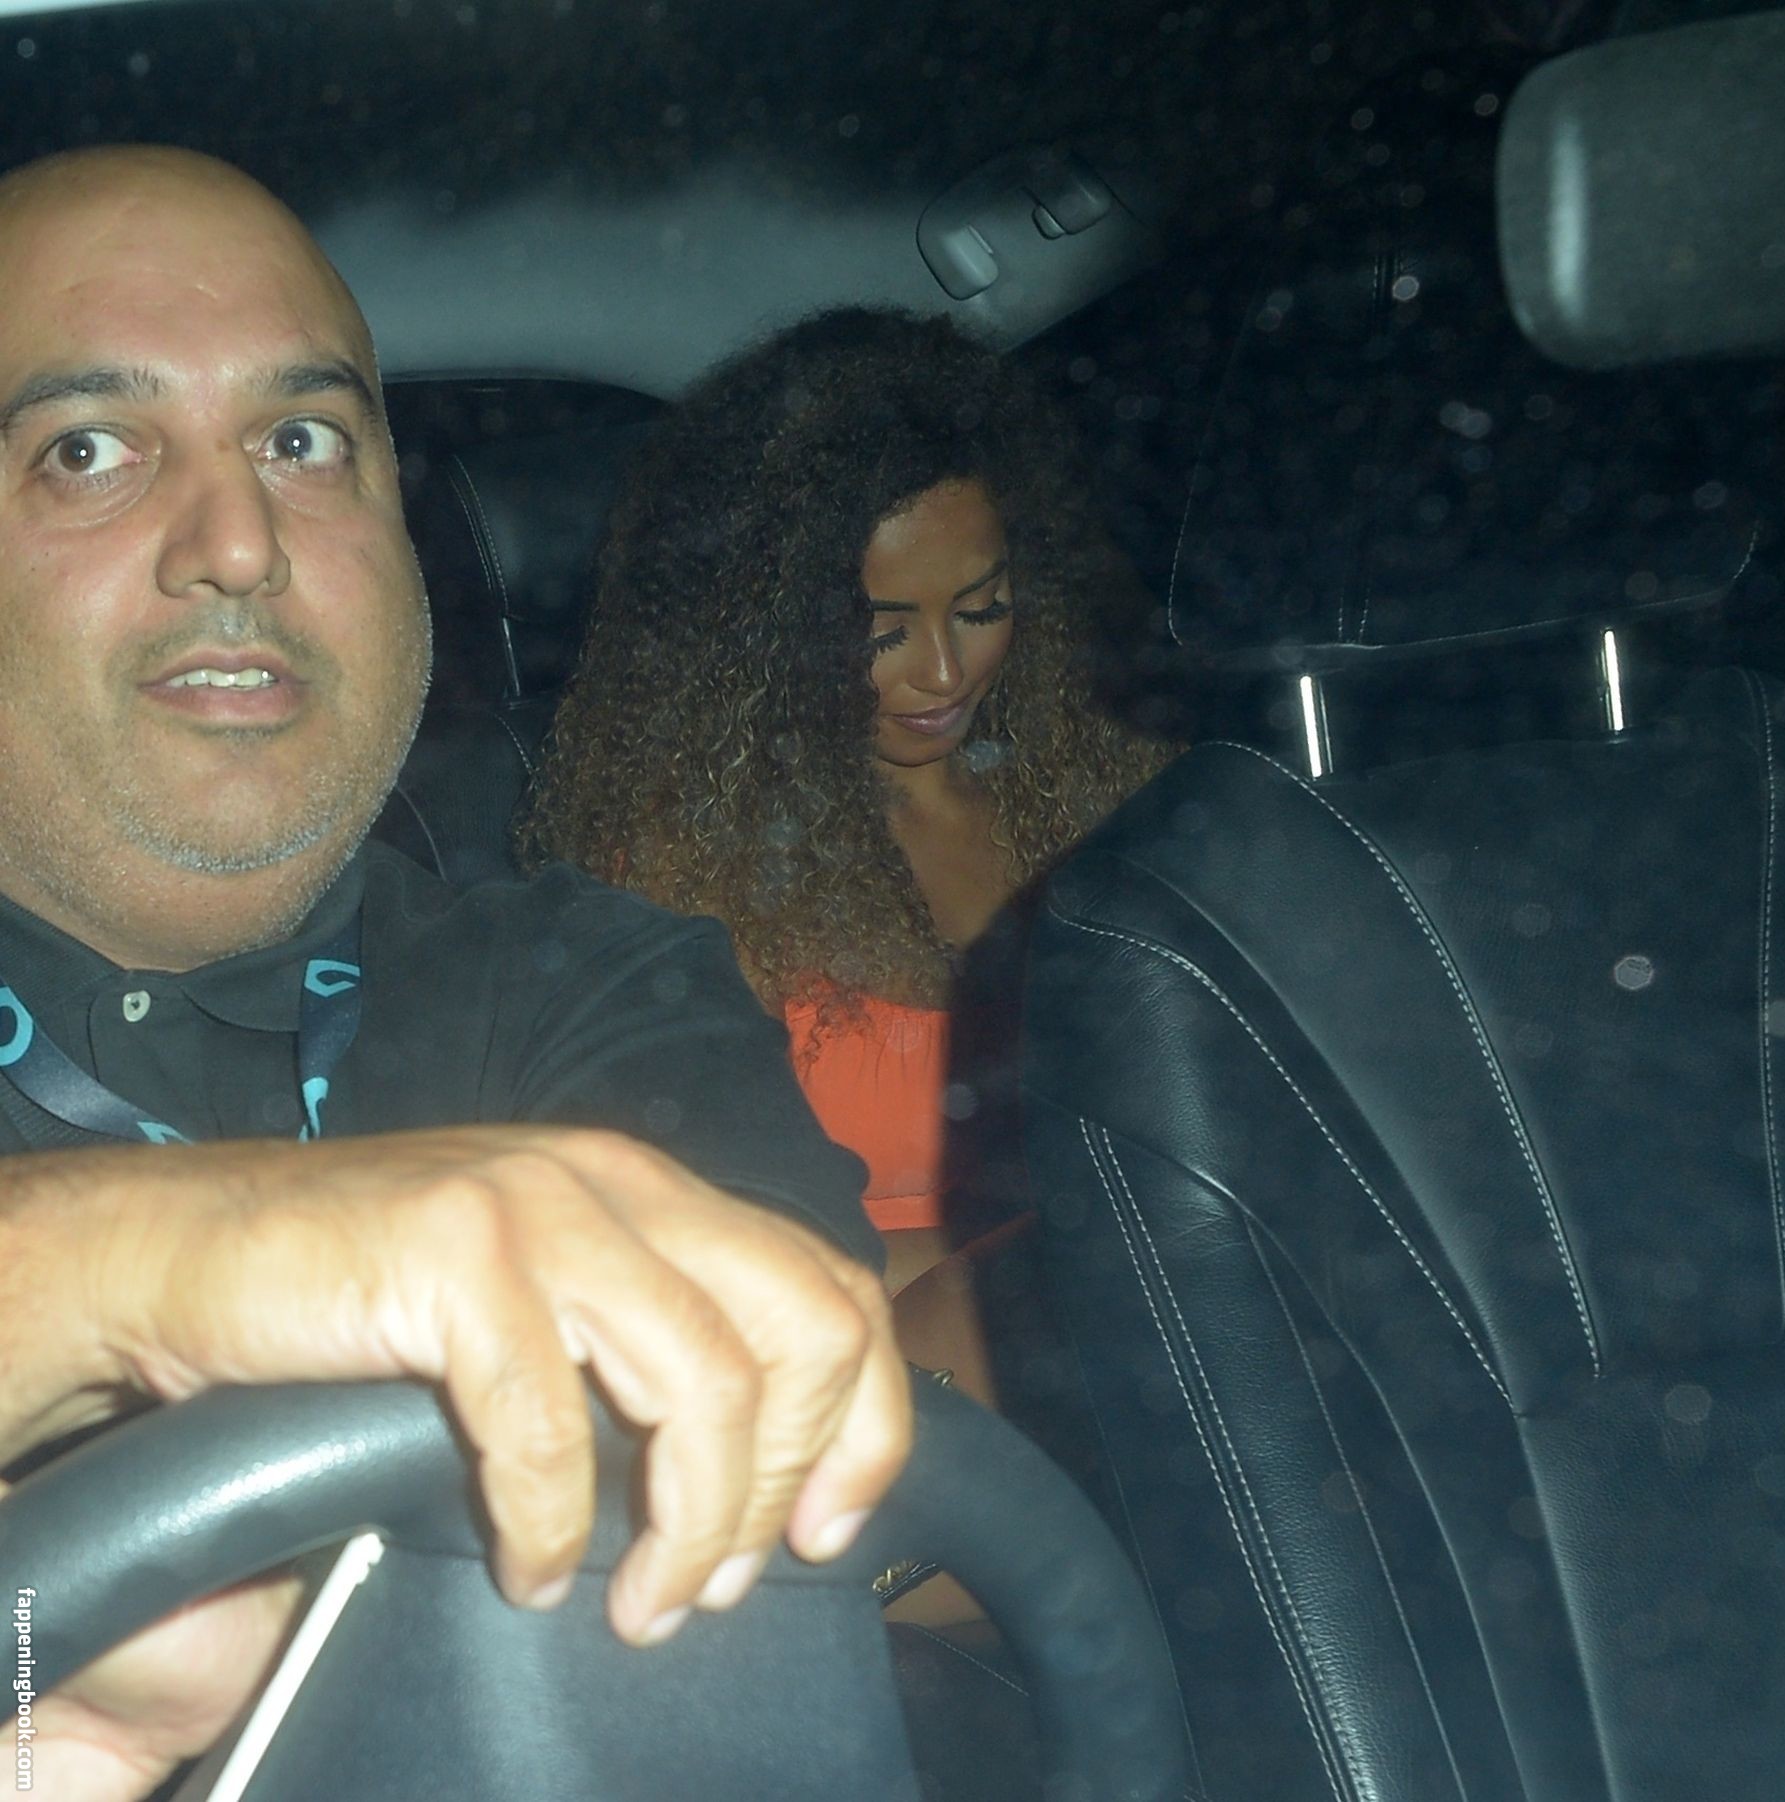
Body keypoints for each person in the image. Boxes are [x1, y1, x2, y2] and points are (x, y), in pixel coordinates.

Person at [0, 146, 909, 1802]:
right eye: (88, 449)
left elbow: (756, 1543)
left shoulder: (590, 979)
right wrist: (110, 1264)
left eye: (302, 441)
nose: (238, 544)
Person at [524, 310, 1173, 1347]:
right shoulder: (681, 875)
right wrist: (1037, 1272)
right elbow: (694, 1251)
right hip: (861, 1358)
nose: (945, 672)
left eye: (981, 608)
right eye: (883, 632)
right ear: (769, 635)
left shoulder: (1108, 802)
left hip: (1144, 1327)